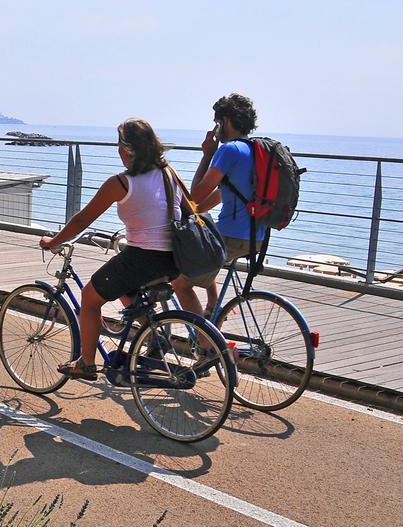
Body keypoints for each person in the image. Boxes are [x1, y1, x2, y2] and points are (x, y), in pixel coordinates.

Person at [38, 118, 181, 380]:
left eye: (118, 145)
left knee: (90, 298)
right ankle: (154, 336)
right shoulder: (169, 173)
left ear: (127, 150)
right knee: (126, 290)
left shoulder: (121, 183)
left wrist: (54, 241)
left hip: (142, 257)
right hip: (172, 259)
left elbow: (82, 220)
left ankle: (86, 363)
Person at [171, 93, 267, 318]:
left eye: (217, 122)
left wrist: (207, 155)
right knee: (203, 240)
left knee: (180, 283)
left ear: (226, 121)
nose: (216, 128)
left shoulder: (229, 150)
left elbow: (194, 195)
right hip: (256, 237)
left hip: (231, 239)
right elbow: (211, 201)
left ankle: (206, 345)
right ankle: (213, 305)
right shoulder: (254, 150)